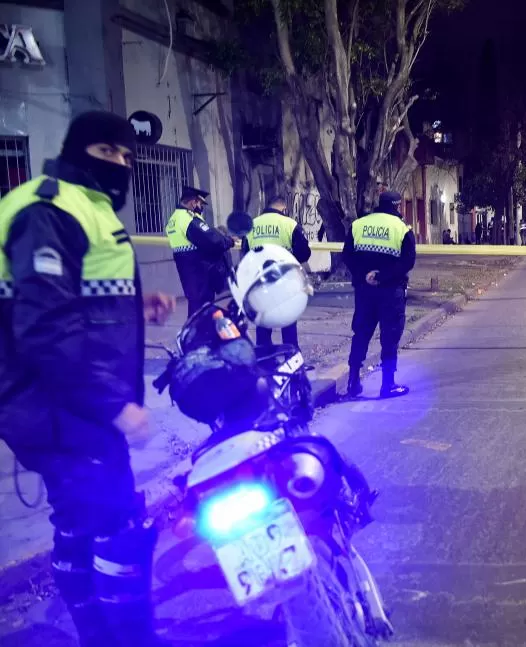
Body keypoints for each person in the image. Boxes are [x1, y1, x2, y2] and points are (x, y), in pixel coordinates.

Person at [0, 110, 176, 646]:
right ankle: (117, 638)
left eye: (126, 155)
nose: (121, 163)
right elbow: (46, 328)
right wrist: (114, 406)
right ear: (78, 151)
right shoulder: (49, 208)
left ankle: (111, 633)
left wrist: (133, 304)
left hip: (73, 405)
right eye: (107, 153)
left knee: (91, 523)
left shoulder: (87, 208)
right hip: (57, 407)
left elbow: (71, 297)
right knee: (107, 526)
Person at [342, 191, 416, 398]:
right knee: (390, 337)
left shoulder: (359, 225)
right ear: (397, 206)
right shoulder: (401, 229)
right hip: (390, 291)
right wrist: (381, 276)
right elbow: (408, 261)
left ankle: (353, 382)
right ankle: (388, 384)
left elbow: (347, 255)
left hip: (364, 291)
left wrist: (363, 275)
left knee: (361, 334)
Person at [242, 196, 312, 349]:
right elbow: (304, 252)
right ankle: (291, 356)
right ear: (284, 209)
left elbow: (245, 254)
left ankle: (265, 357)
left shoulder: (252, 225)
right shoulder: (289, 224)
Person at [165, 185, 234, 320]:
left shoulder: (173, 220)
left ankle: (194, 337)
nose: (201, 207)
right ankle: (199, 338)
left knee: (195, 308)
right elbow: (213, 241)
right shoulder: (189, 219)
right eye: (200, 203)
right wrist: (228, 241)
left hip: (187, 271)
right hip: (200, 272)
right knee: (203, 311)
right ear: (193, 202)